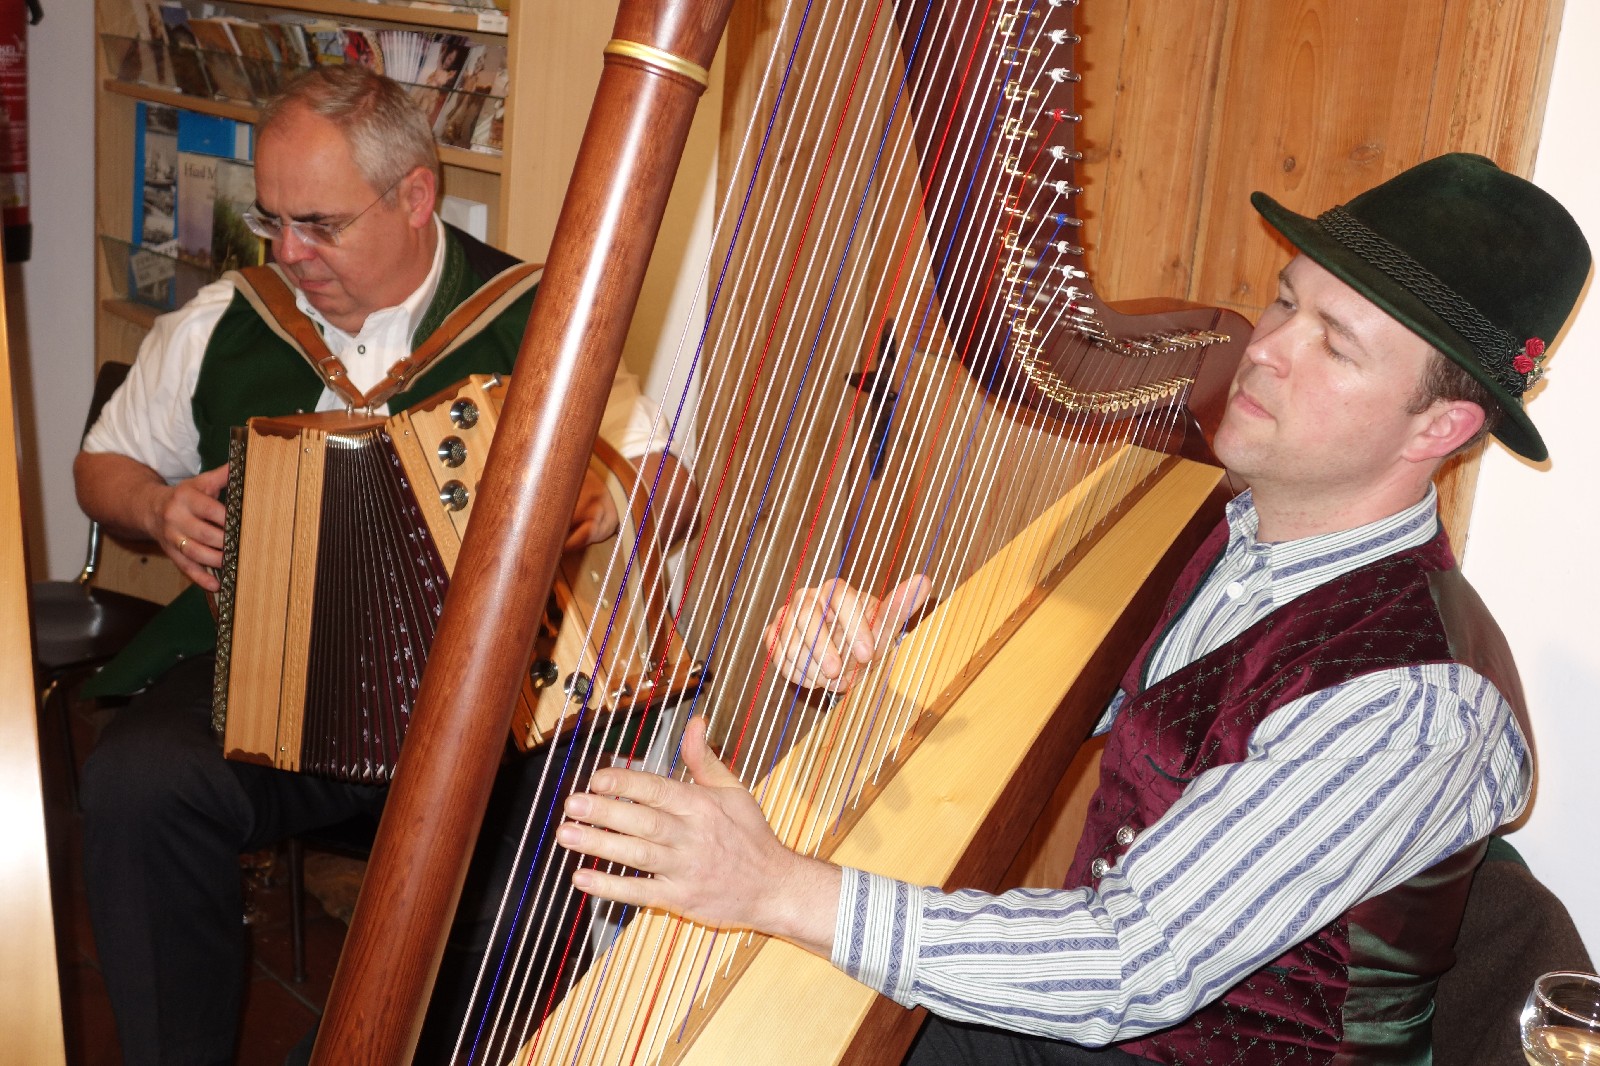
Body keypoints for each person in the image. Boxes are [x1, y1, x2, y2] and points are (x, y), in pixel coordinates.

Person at [554, 153, 1590, 1064]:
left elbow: (1133, 961)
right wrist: (888, 662)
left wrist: (778, 887)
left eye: (1337, 345)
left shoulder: (1418, 700)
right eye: (1286, 303)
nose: (1268, 348)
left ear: (1439, 427)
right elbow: (1111, 713)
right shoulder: (1234, 539)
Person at [74, 65, 690, 1066]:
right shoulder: (231, 316)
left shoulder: (538, 313)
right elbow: (101, 464)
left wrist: (600, 497)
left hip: (486, 703)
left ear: (415, 196)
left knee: (539, 855)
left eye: (319, 224)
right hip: (277, 685)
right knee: (138, 783)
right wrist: (154, 506)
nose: (287, 253)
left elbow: (669, 478)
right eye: (272, 220)